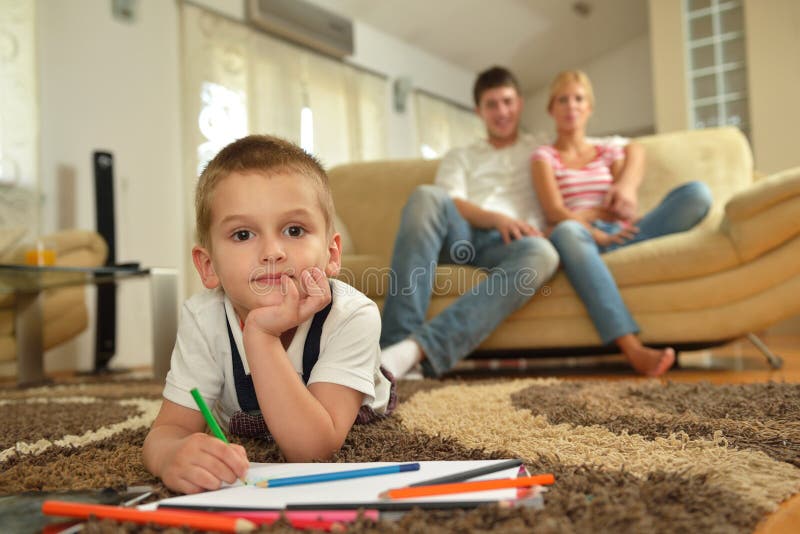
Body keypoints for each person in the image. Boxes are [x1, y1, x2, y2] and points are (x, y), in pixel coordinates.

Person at [143, 135, 394, 494]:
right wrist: (170, 454)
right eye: (243, 234)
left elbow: (312, 450)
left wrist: (260, 334)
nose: (272, 252)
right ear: (208, 265)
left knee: (379, 370)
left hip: (348, 399)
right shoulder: (204, 317)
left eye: (294, 230)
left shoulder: (352, 315)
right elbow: (167, 431)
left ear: (332, 254)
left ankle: (395, 358)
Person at [379, 66, 640, 380]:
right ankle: (392, 347)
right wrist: (497, 218)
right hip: (461, 235)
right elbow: (453, 201)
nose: (501, 112)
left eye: (507, 102)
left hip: (515, 244)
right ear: (479, 111)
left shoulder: (542, 146)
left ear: (519, 104)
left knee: (545, 254)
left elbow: (629, 145)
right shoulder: (461, 155)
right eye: (492, 104)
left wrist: (625, 186)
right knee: (426, 195)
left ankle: (412, 354)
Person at [531, 70, 712, 377]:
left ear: (589, 108)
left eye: (579, 99)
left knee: (697, 194)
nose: (571, 106)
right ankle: (632, 348)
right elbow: (555, 212)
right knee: (567, 231)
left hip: (621, 235)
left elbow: (621, 204)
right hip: (579, 239)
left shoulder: (607, 151)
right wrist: (591, 225)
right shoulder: (544, 156)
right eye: (562, 100)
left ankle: (601, 253)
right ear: (551, 109)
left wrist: (622, 201)